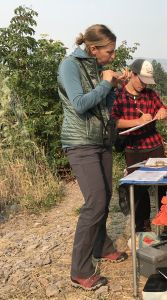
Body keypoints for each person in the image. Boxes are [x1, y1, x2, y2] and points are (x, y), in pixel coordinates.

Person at [57, 24, 128, 291]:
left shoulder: (96, 68)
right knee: (95, 202)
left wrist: (115, 87)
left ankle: (102, 247)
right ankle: (80, 270)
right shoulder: (69, 65)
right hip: (80, 142)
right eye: (109, 51)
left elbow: (105, 108)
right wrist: (107, 82)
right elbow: (79, 103)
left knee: (105, 196)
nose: (112, 56)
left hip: (101, 140)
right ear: (94, 48)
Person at [111, 59, 167, 232]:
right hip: (133, 148)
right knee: (138, 190)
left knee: (164, 186)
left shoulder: (150, 94)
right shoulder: (118, 96)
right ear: (133, 74)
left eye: (147, 82)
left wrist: (163, 113)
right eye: (141, 80)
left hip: (154, 145)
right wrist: (137, 121)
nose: (144, 85)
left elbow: (166, 111)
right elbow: (112, 122)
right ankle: (142, 227)